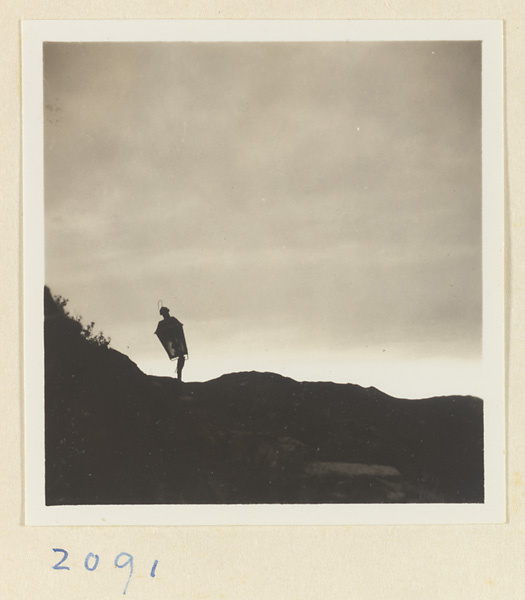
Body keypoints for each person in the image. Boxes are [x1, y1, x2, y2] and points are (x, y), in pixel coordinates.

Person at [154, 306, 188, 381]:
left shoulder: (172, 320)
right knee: (181, 358)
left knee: (181, 358)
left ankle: (179, 375)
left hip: (177, 342)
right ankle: (179, 376)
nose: (165, 315)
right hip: (173, 342)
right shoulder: (163, 323)